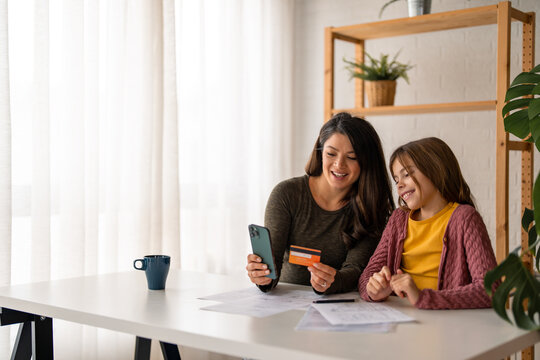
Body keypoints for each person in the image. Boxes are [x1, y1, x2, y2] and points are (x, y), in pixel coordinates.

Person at [246, 112, 395, 294]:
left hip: (341, 305)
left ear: (366, 163)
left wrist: (332, 280)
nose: (339, 164)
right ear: (321, 152)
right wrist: (262, 277)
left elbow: (356, 270)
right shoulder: (286, 194)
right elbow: (272, 269)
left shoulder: (370, 205)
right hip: (285, 301)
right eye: (331, 153)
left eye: (352, 157)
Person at [358, 137, 497, 309]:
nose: (399, 185)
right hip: (402, 320)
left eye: (406, 174)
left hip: (448, 325)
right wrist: (374, 290)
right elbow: (366, 277)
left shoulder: (465, 218)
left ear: (435, 170)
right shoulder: (399, 219)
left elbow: (491, 289)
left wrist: (423, 298)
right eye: (396, 179)